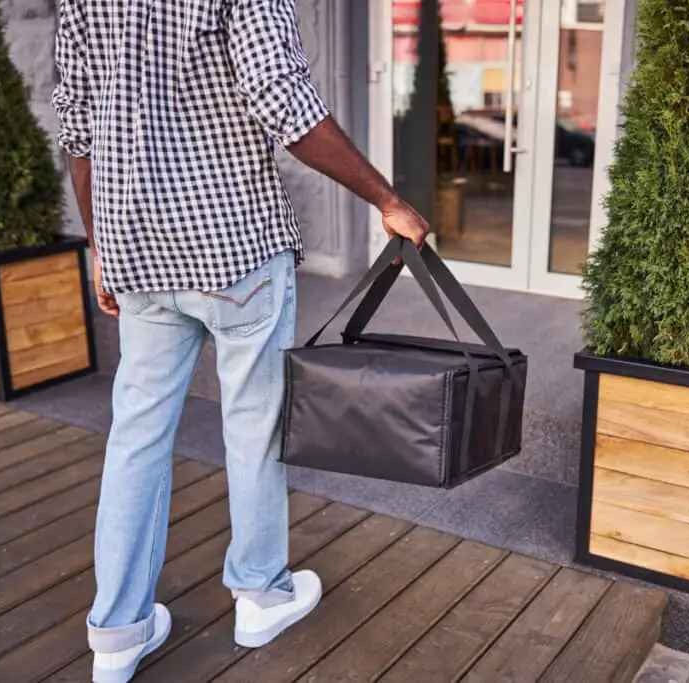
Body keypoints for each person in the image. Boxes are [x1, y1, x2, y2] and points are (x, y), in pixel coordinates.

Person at [51, 0, 428, 681]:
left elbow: (78, 126)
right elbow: (280, 98)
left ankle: (116, 632)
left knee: (136, 435)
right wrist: (385, 198)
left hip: (139, 248)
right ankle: (260, 594)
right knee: (253, 426)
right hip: (235, 247)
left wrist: (102, 244)